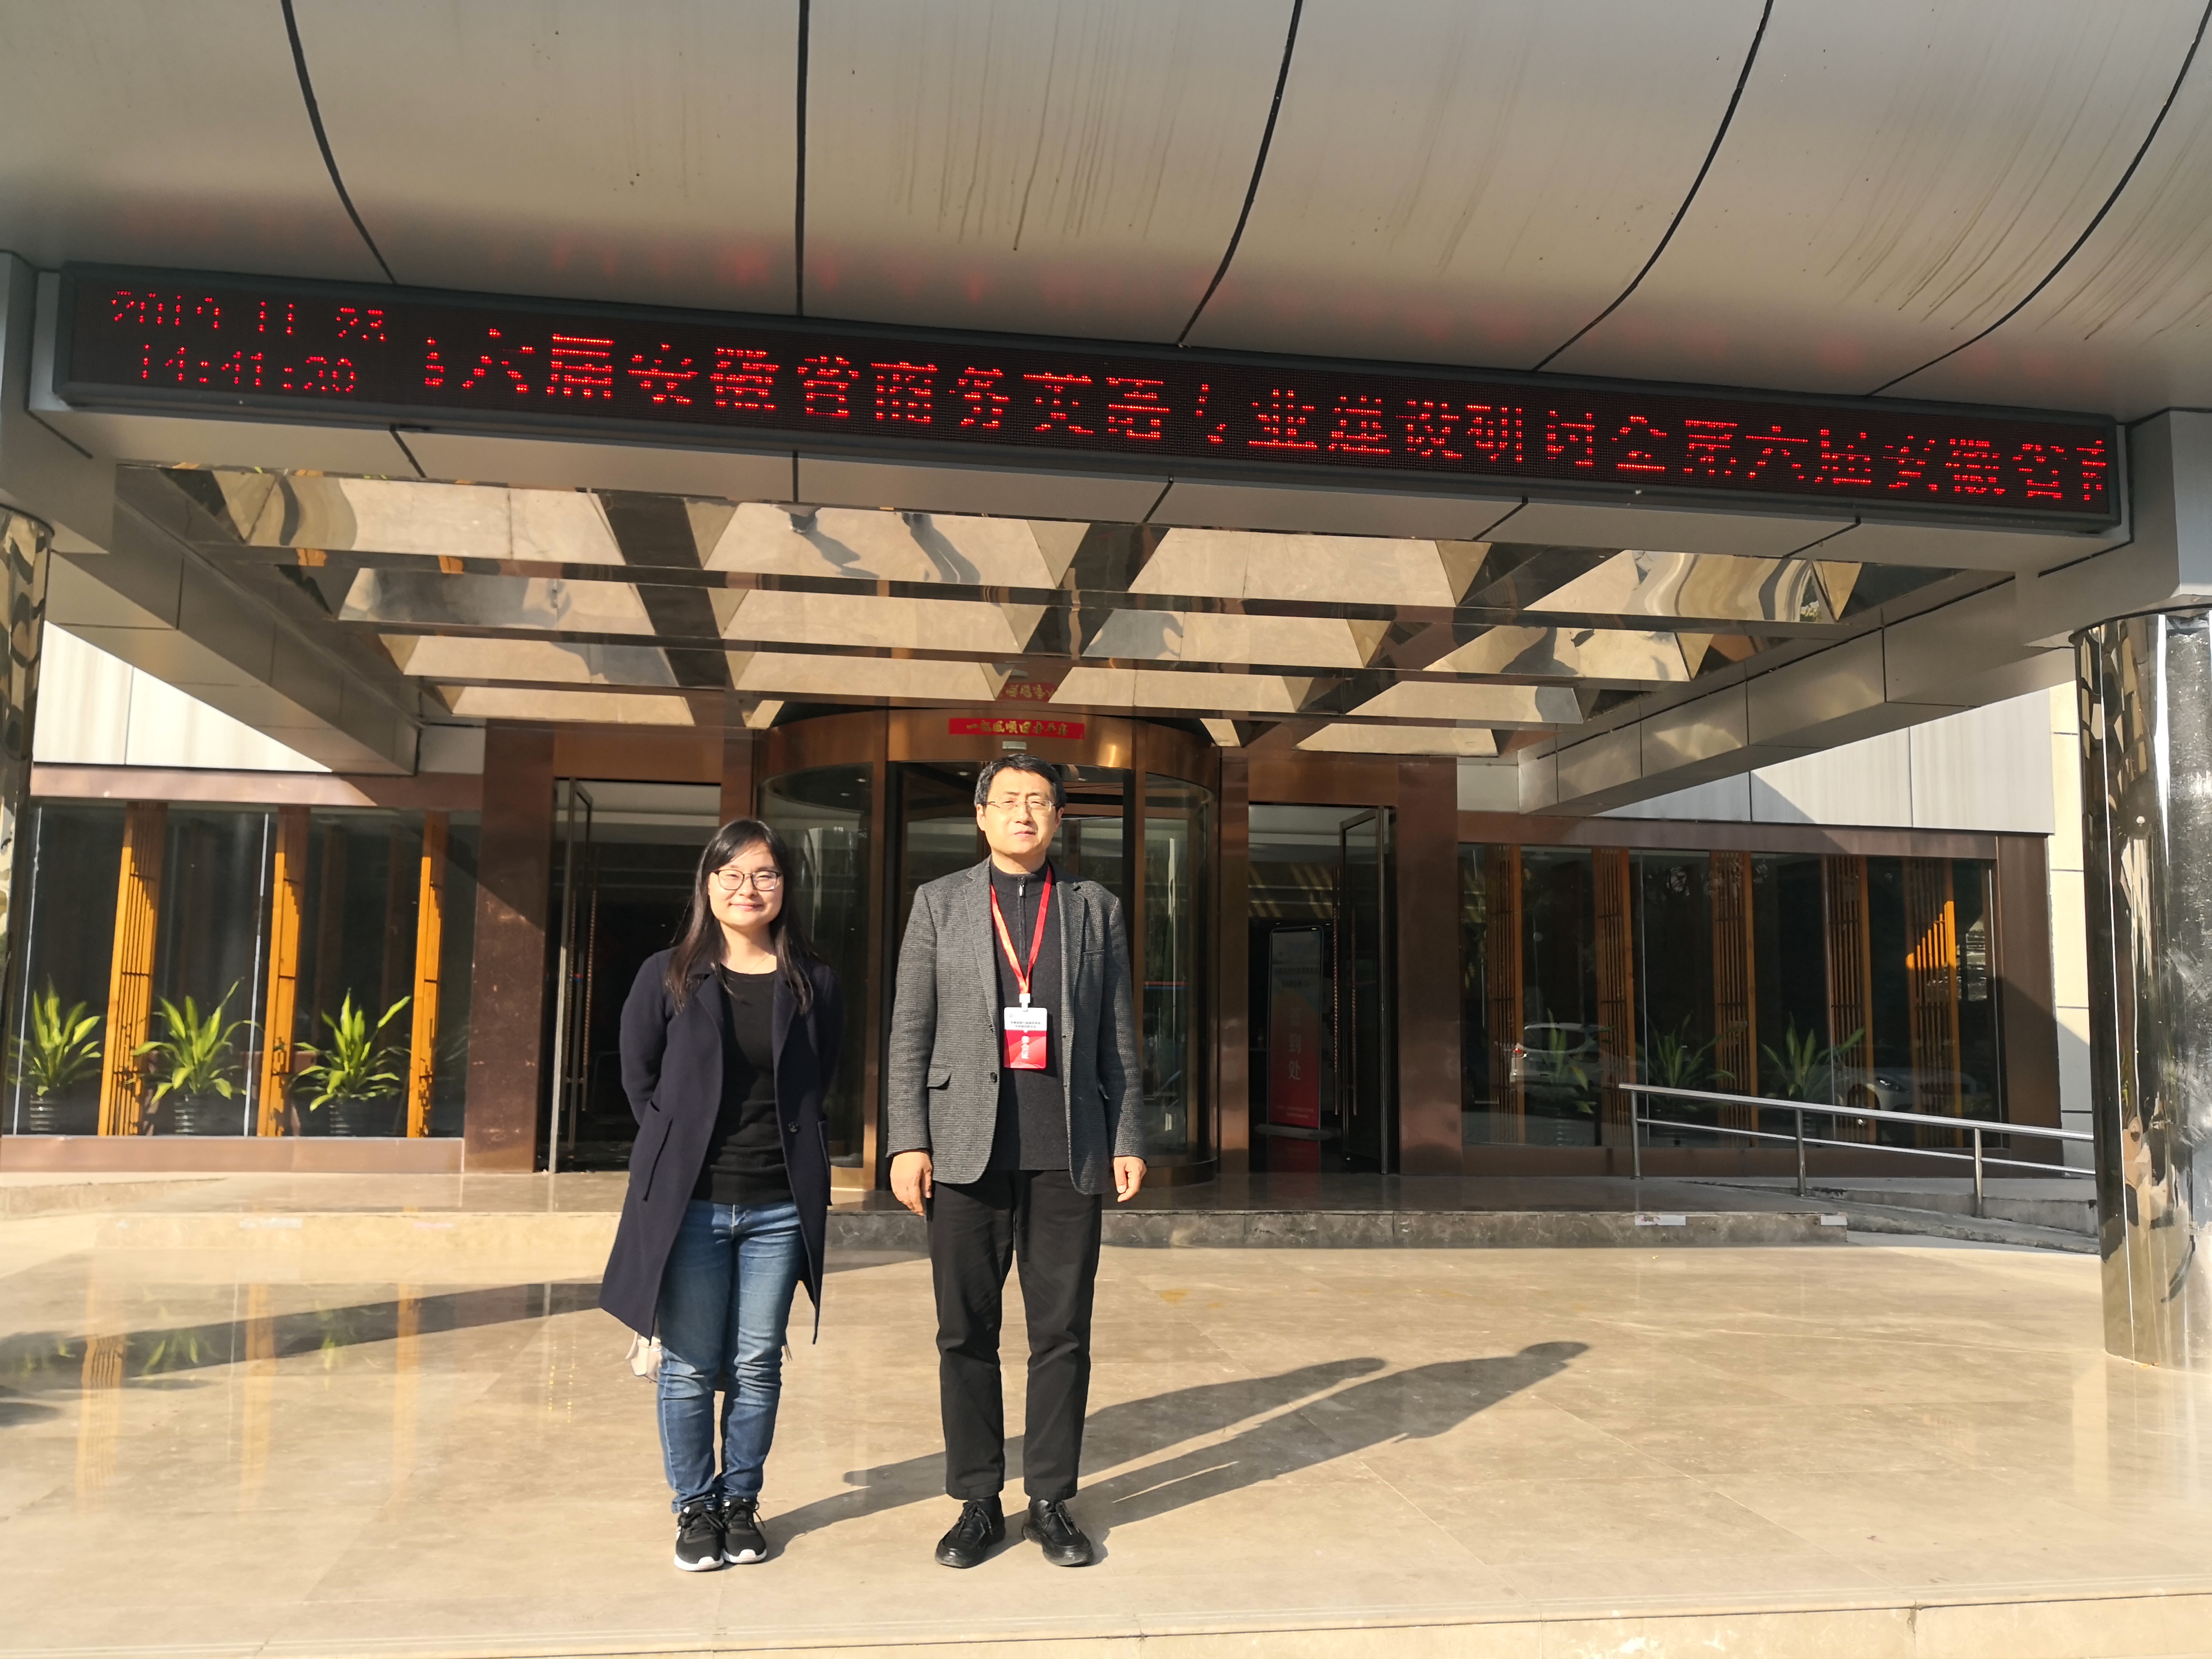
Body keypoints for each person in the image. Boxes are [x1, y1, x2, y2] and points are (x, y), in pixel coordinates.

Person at [885, 754, 1146, 1570]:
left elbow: (1119, 1035)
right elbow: (909, 1031)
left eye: (1038, 801)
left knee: (1062, 1332)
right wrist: (907, 1139)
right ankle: (975, 1499)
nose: (1023, 813)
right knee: (965, 1330)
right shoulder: (939, 903)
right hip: (964, 1153)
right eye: (1008, 800)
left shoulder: (1093, 908)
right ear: (981, 815)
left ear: (1059, 817)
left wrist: (1129, 1136)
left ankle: (1050, 1499)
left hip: (1068, 1150)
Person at [600, 819, 842, 1573]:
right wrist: (678, 1145)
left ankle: (740, 1502)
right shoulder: (668, 975)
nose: (748, 889)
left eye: (765, 874)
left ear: (785, 887)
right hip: (693, 1203)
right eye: (732, 874)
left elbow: (821, 1078)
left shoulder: (814, 980)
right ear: (708, 885)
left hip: (779, 1205)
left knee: (758, 1362)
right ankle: (694, 1507)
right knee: (690, 1364)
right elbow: (639, 1078)